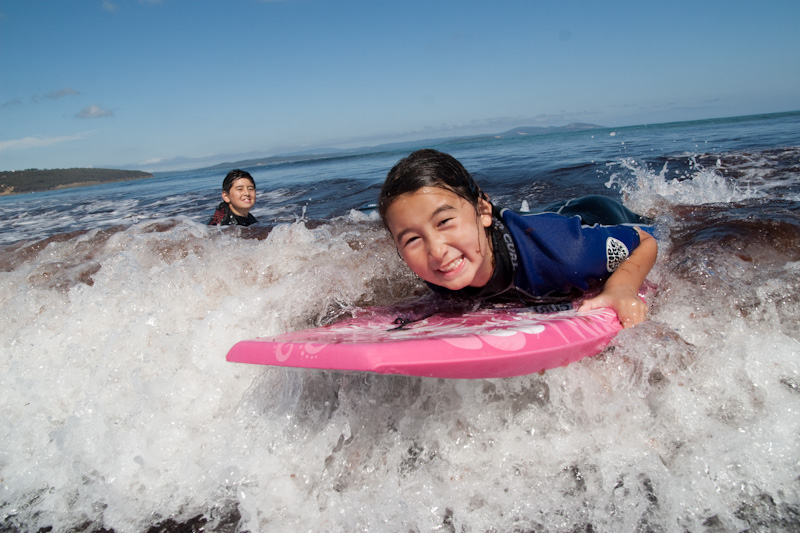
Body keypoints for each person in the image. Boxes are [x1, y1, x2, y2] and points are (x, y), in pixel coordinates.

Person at [378, 149, 658, 328]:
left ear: (482, 209)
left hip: (597, 214)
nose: (436, 251)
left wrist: (622, 288)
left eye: (444, 222)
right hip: (532, 225)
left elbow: (645, 240)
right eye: (412, 239)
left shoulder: (567, 254)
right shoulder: (434, 265)